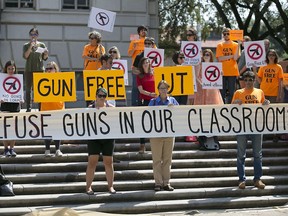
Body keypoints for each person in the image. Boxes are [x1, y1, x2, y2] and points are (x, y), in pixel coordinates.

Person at [232, 71, 270, 190]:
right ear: (243, 81)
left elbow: (264, 105)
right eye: (246, 80)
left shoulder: (260, 92)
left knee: (257, 154)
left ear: (254, 81)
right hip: (242, 127)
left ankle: (257, 179)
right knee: (241, 155)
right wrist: (234, 103)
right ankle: (242, 180)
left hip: (256, 126)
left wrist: (266, 103)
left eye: (250, 80)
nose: (248, 82)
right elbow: (230, 109)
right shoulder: (238, 92)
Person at [148, 80, 179, 191]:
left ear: (168, 89)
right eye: (161, 88)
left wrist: (174, 109)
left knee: (167, 160)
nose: (163, 90)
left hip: (169, 134)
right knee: (156, 159)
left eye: (165, 88)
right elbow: (148, 115)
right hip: (156, 134)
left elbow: (180, 114)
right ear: (158, 90)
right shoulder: (153, 102)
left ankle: (166, 182)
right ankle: (158, 183)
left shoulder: (173, 101)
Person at [85, 87, 116, 195]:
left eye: (104, 96)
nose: (102, 98)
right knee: (92, 162)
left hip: (108, 138)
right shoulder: (90, 108)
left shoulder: (111, 108)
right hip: (94, 138)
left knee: (109, 162)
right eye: (100, 96)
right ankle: (88, 187)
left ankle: (111, 186)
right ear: (96, 96)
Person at [40, 61, 64, 157]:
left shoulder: (61, 79)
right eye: (47, 69)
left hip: (58, 107)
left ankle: (58, 149)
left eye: (50, 68)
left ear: (55, 69)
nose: (48, 70)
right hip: (46, 108)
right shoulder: (41, 80)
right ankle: (47, 150)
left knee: (57, 129)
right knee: (47, 129)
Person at [23, 27, 49, 112]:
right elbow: (26, 56)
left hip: (39, 69)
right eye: (31, 34)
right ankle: (28, 107)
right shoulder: (26, 45)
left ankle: (41, 107)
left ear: (37, 35)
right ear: (29, 35)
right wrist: (30, 46)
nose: (33, 36)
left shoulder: (42, 45)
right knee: (28, 89)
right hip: (29, 69)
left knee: (39, 89)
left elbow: (45, 58)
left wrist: (45, 54)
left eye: (35, 34)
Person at [1, 60, 22, 157]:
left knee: (14, 129)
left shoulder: (18, 79)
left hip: (15, 106)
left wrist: (21, 99)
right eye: (9, 69)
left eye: (12, 68)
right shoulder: (1, 79)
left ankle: (12, 148)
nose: (11, 70)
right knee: (5, 128)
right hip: (5, 105)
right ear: (6, 69)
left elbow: (20, 92)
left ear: (15, 69)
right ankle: (5, 149)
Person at [137, 57, 157, 153]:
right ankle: (142, 145)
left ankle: (155, 145)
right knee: (143, 123)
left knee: (155, 122)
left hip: (156, 101)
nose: (146, 64)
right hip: (145, 101)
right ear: (141, 65)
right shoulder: (139, 76)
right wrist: (150, 94)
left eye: (147, 62)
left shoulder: (154, 74)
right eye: (144, 63)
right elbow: (140, 90)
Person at [216, 27, 241, 104]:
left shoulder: (236, 45)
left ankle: (230, 106)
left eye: (228, 33)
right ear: (223, 35)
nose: (226, 35)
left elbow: (236, 57)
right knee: (222, 92)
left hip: (232, 71)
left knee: (231, 92)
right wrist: (231, 56)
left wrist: (239, 44)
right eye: (225, 34)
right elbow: (220, 58)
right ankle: (222, 106)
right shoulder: (220, 45)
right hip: (222, 71)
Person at [131, 37, 155, 106]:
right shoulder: (139, 56)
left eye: (149, 43)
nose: (147, 45)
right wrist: (141, 72)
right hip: (142, 78)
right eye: (145, 43)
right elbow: (133, 69)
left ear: (152, 45)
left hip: (152, 77)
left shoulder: (158, 54)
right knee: (137, 90)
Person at [128, 25, 148, 107]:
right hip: (136, 68)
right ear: (139, 32)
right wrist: (134, 48)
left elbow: (155, 52)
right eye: (142, 30)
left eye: (145, 30)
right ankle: (135, 104)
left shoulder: (149, 41)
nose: (144, 31)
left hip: (147, 68)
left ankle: (146, 103)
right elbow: (129, 54)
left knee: (146, 86)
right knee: (136, 87)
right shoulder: (134, 42)